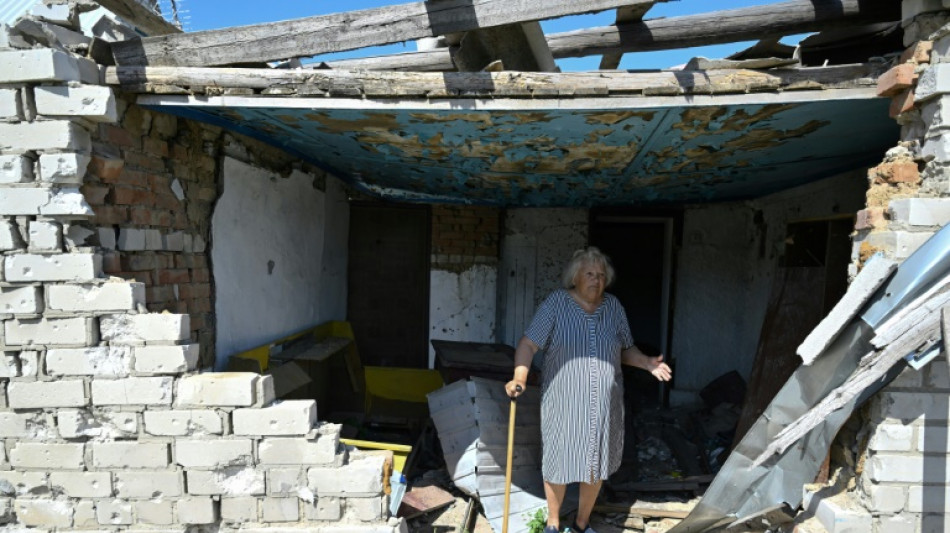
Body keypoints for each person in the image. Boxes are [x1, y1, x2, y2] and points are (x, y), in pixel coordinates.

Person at [505, 247, 672, 533]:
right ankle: (553, 523)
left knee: (595, 462)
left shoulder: (614, 307)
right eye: (590, 274)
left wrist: (646, 362)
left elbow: (624, 348)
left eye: (602, 275)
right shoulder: (556, 303)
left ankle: (581, 524)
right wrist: (519, 376)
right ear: (575, 277)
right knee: (558, 461)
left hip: (603, 403)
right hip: (563, 401)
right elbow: (529, 343)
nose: (597, 280)